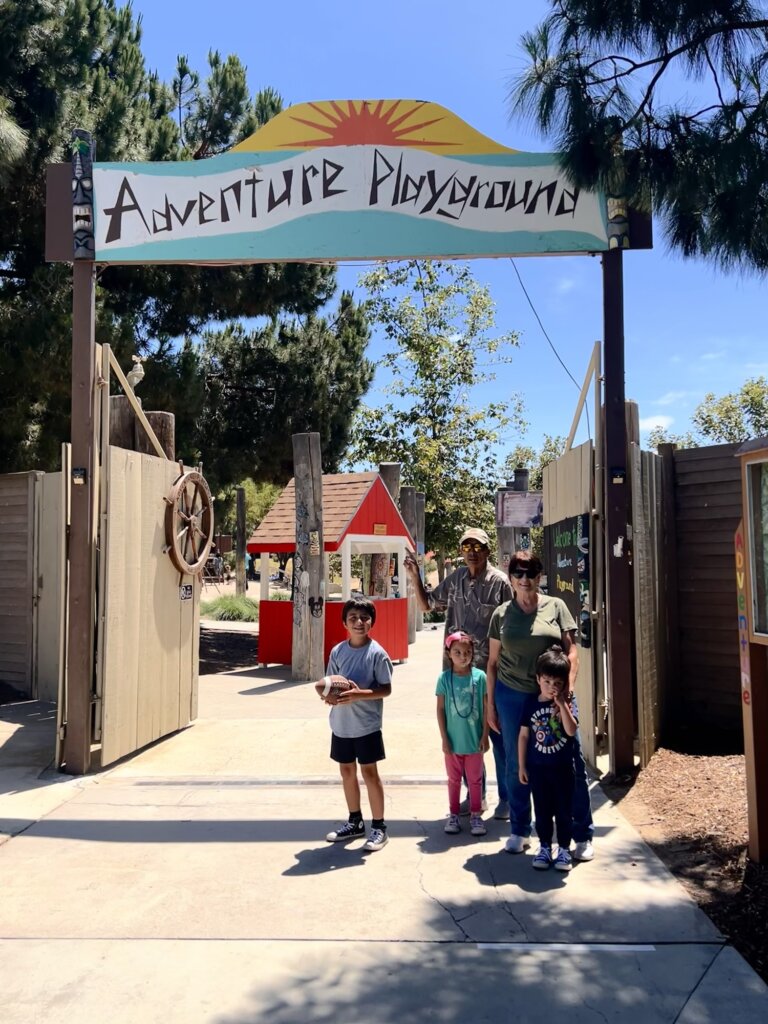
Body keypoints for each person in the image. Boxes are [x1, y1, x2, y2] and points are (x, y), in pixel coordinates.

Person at [487, 551, 594, 859]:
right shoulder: (501, 615)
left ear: (539, 576)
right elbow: (493, 663)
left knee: (570, 763)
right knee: (515, 763)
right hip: (512, 695)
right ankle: (520, 830)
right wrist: (491, 704)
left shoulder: (556, 607)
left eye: (530, 573)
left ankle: (581, 833)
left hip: (552, 694)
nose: (525, 579)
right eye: (518, 574)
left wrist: (567, 689)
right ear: (510, 578)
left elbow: (571, 652)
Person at [404, 527, 512, 819]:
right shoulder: (455, 580)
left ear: (487, 550)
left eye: (478, 547)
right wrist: (415, 576)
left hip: (490, 674)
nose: (472, 552)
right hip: (458, 676)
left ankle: (507, 798)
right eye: (467, 547)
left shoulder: (501, 583)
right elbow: (427, 605)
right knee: (464, 736)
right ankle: (477, 796)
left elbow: (511, 626)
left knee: (498, 737)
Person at [322, 597, 394, 852]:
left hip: (366, 725)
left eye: (364, 618)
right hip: (341, 725)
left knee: (370, 773)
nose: (359, 622)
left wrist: (359, 694)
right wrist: (328, 696)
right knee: (347, 772)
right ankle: (355, 821)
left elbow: (386, 689)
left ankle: (379, 827)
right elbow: (329, 682)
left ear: (371, 622)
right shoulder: (338, 651)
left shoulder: (377, 653)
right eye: (353, 618)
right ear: (344, 623)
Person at [519, 646, 579, 872]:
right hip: (538, 769)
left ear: (564, 683)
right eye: (547, 682)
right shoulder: (530, 703)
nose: (552, 688)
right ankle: (544, 846)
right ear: (538, 679)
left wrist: (562, 705)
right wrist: (522, 765)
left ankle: (563, 848)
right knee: (542, 811)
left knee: (564, 811)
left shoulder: (567, 704)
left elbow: (571, 731)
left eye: (557, 683)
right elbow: (524, 735)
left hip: (563, 769)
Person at [436, 631, 489, 838]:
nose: (463, 656)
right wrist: (444, 738)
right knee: (453, 779)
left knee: (475, 780)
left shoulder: (480, 677)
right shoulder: (444, 679)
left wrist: (485, 735)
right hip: (452, 741)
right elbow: (440, 709)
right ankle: (454, 814)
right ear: (449, 653)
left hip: (474, 741)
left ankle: (476, 814)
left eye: (467, 652)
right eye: (457, 652)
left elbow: (485, 708)